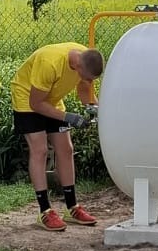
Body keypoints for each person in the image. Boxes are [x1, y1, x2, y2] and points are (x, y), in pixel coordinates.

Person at [11, 43, 105, 232]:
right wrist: (68, 117)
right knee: (40, 150)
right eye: (86, 77)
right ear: (78, 67)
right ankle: (45, 210)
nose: (87, 80)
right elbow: (36, 104)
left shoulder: (84, 57)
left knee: (66, 149)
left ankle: (72, 207)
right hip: (28, 99)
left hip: (51, 100)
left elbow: (85, 90)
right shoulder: (50, 63)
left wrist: (94, 109)